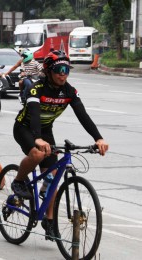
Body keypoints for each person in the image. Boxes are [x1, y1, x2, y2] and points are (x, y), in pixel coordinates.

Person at [11, 50, 109, 241]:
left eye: (66, 70)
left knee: (54, 176)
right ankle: (19, 180)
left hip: (45, 130)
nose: (63, 73)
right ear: (48, 71)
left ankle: (49, 220)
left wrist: (98, 138)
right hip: (26, 128)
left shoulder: (69, 91)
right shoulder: (36, 89)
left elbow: (83, 115)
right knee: (38, 155)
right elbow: (35, 114)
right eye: (59, 69)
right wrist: (37, 138)